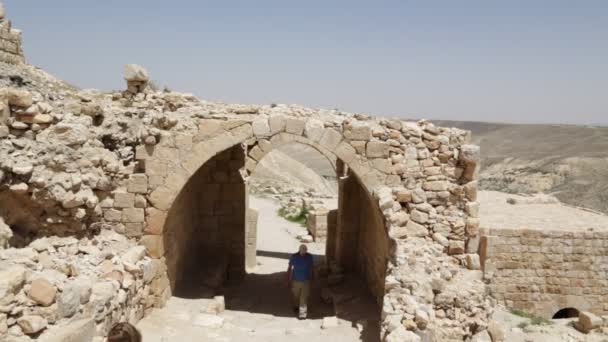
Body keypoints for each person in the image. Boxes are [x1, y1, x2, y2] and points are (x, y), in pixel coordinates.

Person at [286, 244, 314, 319]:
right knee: (296, 295)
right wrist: (288, 279)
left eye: (305, 251)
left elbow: (312, 267)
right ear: (299, 250)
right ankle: (296, 305)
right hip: (296, 280)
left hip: (306, 280)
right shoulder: (294, 257)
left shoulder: (309, 257)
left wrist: (312, 278)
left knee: (303, 297)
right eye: (302, 251)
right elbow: (289, 268)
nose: (303, 253)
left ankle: (302, 314)